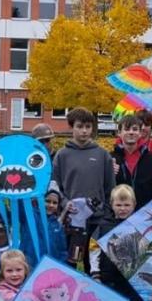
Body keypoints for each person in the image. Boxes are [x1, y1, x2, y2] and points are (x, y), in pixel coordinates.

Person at [89, 185, 150, 301]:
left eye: (126, 204)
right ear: (112, 205)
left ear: (134, 205)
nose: (122, 208)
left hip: (131, 281)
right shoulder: (104, 225)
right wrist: (95, 273)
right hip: (108, 278)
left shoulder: (141, 226)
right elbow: (93, 250)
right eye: (119, 204)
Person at [50, 107, 115, 266]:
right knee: (69, 263)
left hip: (96, 221)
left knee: (93, 265)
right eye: (80, 127)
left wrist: (105, 213)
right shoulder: (62, 155)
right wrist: (65, 204)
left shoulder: (102, 155)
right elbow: (55, 186)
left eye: (88, 127)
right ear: (71, 127)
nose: (84, 131)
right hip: (70, 220)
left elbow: (110, 188)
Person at [111, 97, 152, 207]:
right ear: (119, 133)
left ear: (139, 133)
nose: (131, 132)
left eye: (135, 129)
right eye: (127, 129)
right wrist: (108, 174)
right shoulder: (111, 158)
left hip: (145, 211)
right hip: (119, 212)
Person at [42, 187, 68, 260]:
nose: (51, 205)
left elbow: (62, 250)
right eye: (47, 201)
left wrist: (60, 265)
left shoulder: (58, 226)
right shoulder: (31, 218)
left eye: (55, 203)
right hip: (30, 265)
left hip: (48, 265)